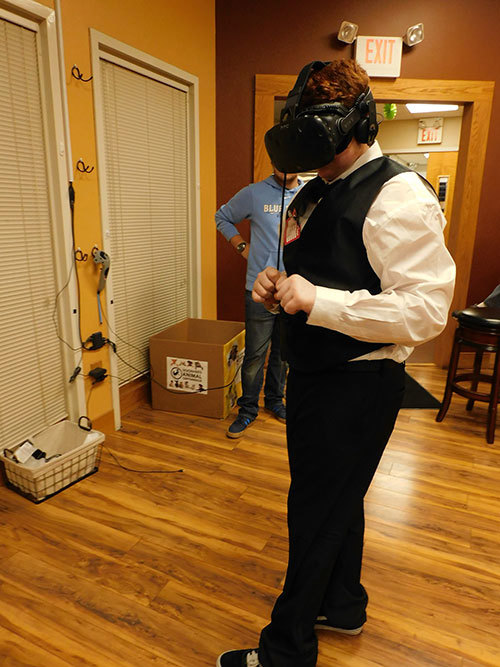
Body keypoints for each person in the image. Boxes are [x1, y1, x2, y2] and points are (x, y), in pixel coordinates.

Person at [217, 59, 456, 667]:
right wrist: (277, 285)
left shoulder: (399, 195)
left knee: (315, 515)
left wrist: (319, 301)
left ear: (359, 124)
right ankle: (343, 605)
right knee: (337, 504)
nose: (315, 154)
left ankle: (285, 652)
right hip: (316, 374)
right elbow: (318, 267)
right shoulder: (316, 190)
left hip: (358, 383)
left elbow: (426, 310)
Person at [216, 168, 303, 438]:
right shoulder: (254, 193)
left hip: (293, 288)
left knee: (282, 354)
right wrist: (243, 247)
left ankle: (275, 401)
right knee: (255, 355)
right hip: (258, 289)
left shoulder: (308, 194)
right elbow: (222, 217)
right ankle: (248, 409)